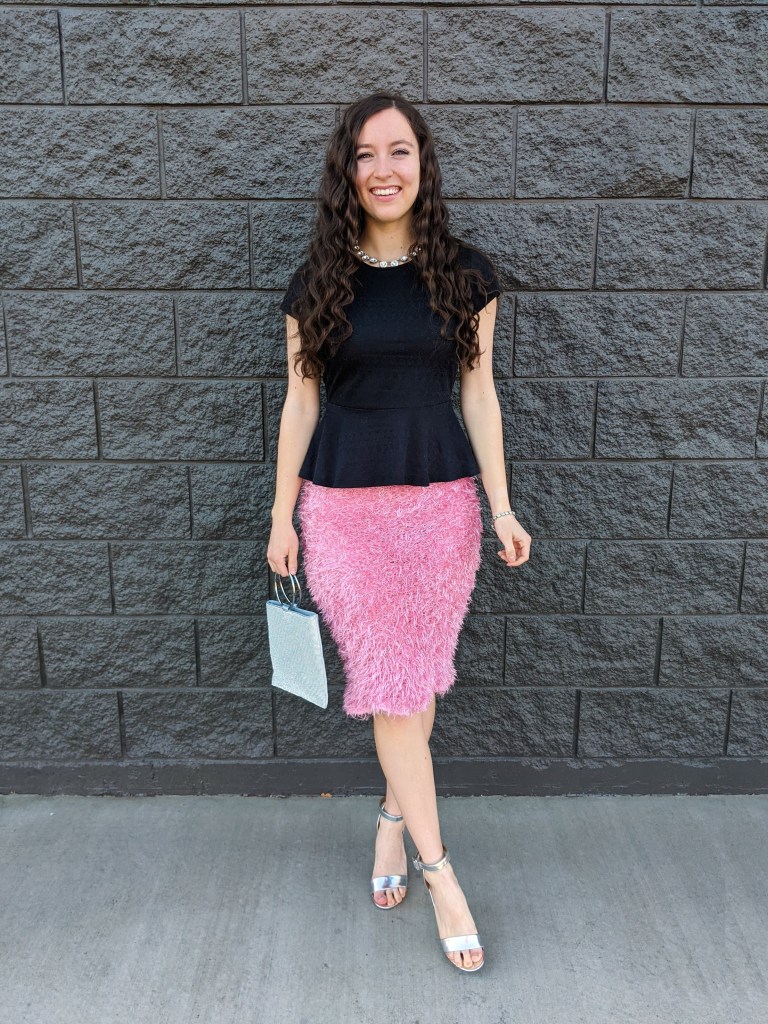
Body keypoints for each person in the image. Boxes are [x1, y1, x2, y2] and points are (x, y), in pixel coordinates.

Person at [266, 90, 532, 973]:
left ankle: (388, 820)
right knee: (389, 688)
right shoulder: (320, 282)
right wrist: (281, 517)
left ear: (423, 163)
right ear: (348, 172)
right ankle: (440, 870)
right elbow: (300, 403)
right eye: (366, 155)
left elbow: (479, 394)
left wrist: (500, 506)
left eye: (400, 151)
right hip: (341, 516)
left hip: (440, 512)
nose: (384, 169)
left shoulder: (466, 275)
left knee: (412, 695)